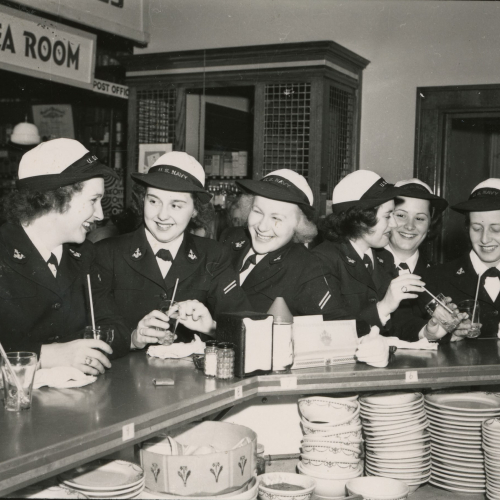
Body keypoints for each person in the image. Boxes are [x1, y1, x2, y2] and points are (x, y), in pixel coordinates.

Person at [94, 152, 251, 349]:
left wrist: (211, 327)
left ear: (195, 210)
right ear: (142, 200)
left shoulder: (214, 255)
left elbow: (246, 328)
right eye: (153, 201)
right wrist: (133, 338)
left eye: (176, 205)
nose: (162, 215)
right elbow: (91, 329)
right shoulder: (106, 253)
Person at [0, 138, 128, 375]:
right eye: (93, 200)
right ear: (54, 199)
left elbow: (117, 331)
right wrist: (47, 355)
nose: (99, 214)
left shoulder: (85, 254)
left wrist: (82, 350)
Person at [313, 170, 456, 342]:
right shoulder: (321, 261)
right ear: (360, 218)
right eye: (389, 216)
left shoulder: (383, 259)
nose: (395, 224)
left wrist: (426, 332)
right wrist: (383, 307)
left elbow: (398, 321)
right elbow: (328, 334)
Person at [220, 169, 337, 315]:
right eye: (257, 211)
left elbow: (335, 327)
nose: (262, 227)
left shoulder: (308, 268)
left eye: (277, 218)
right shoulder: (230, 239)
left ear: (299, 225)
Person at [424, 178, 500, 339]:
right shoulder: (435, 278)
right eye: (477, 228)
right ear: (467, 228)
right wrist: (447, 337)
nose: (485, 239)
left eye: (496, 229)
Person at [386, 178, 448, 339]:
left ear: (430, 225)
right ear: (387, 218)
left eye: (420, 218)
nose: (410, 226)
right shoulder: (365, 266)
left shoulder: (441, 274)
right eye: (401, 215)